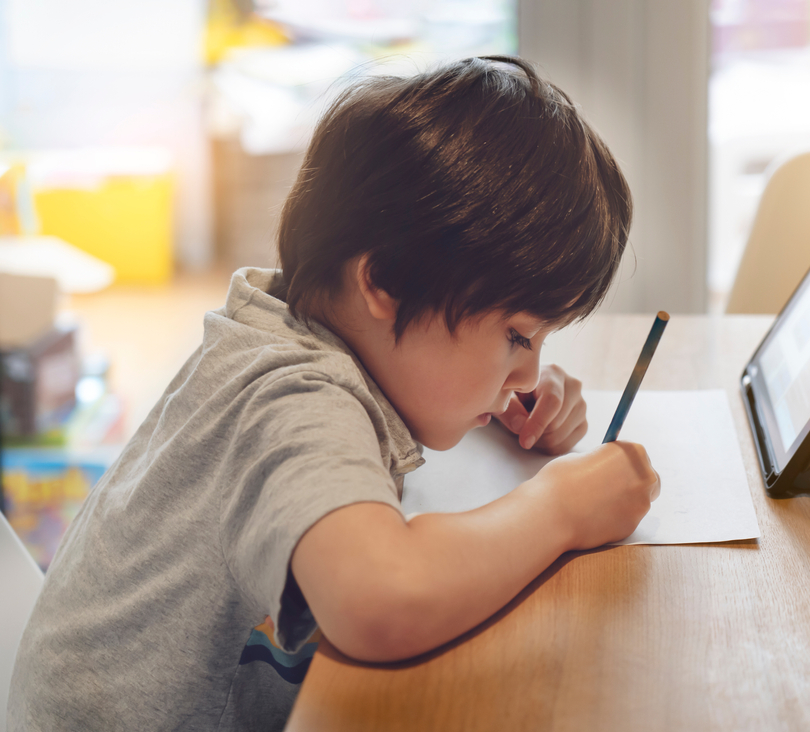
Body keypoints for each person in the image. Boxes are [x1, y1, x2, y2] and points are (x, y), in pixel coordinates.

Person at [8, 56, 659, 731]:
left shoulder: (288, 328)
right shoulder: (288, 396)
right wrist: (561, 508)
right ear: (387, 283)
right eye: (518, 336)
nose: (529, 373)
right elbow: (381, 599)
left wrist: (502, 393)